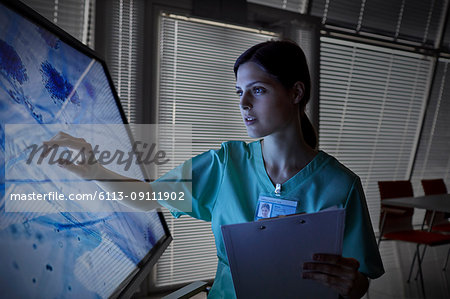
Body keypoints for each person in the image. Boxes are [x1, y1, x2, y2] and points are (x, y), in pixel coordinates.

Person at [44, 40, 384, 298]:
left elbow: (358, 280)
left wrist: (353, 285)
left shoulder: (342, 185)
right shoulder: (225, 164)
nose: (243, 104)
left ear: (296, 92)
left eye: (258, 90)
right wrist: (92, 168)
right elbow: (146, 198)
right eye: (239, 92)